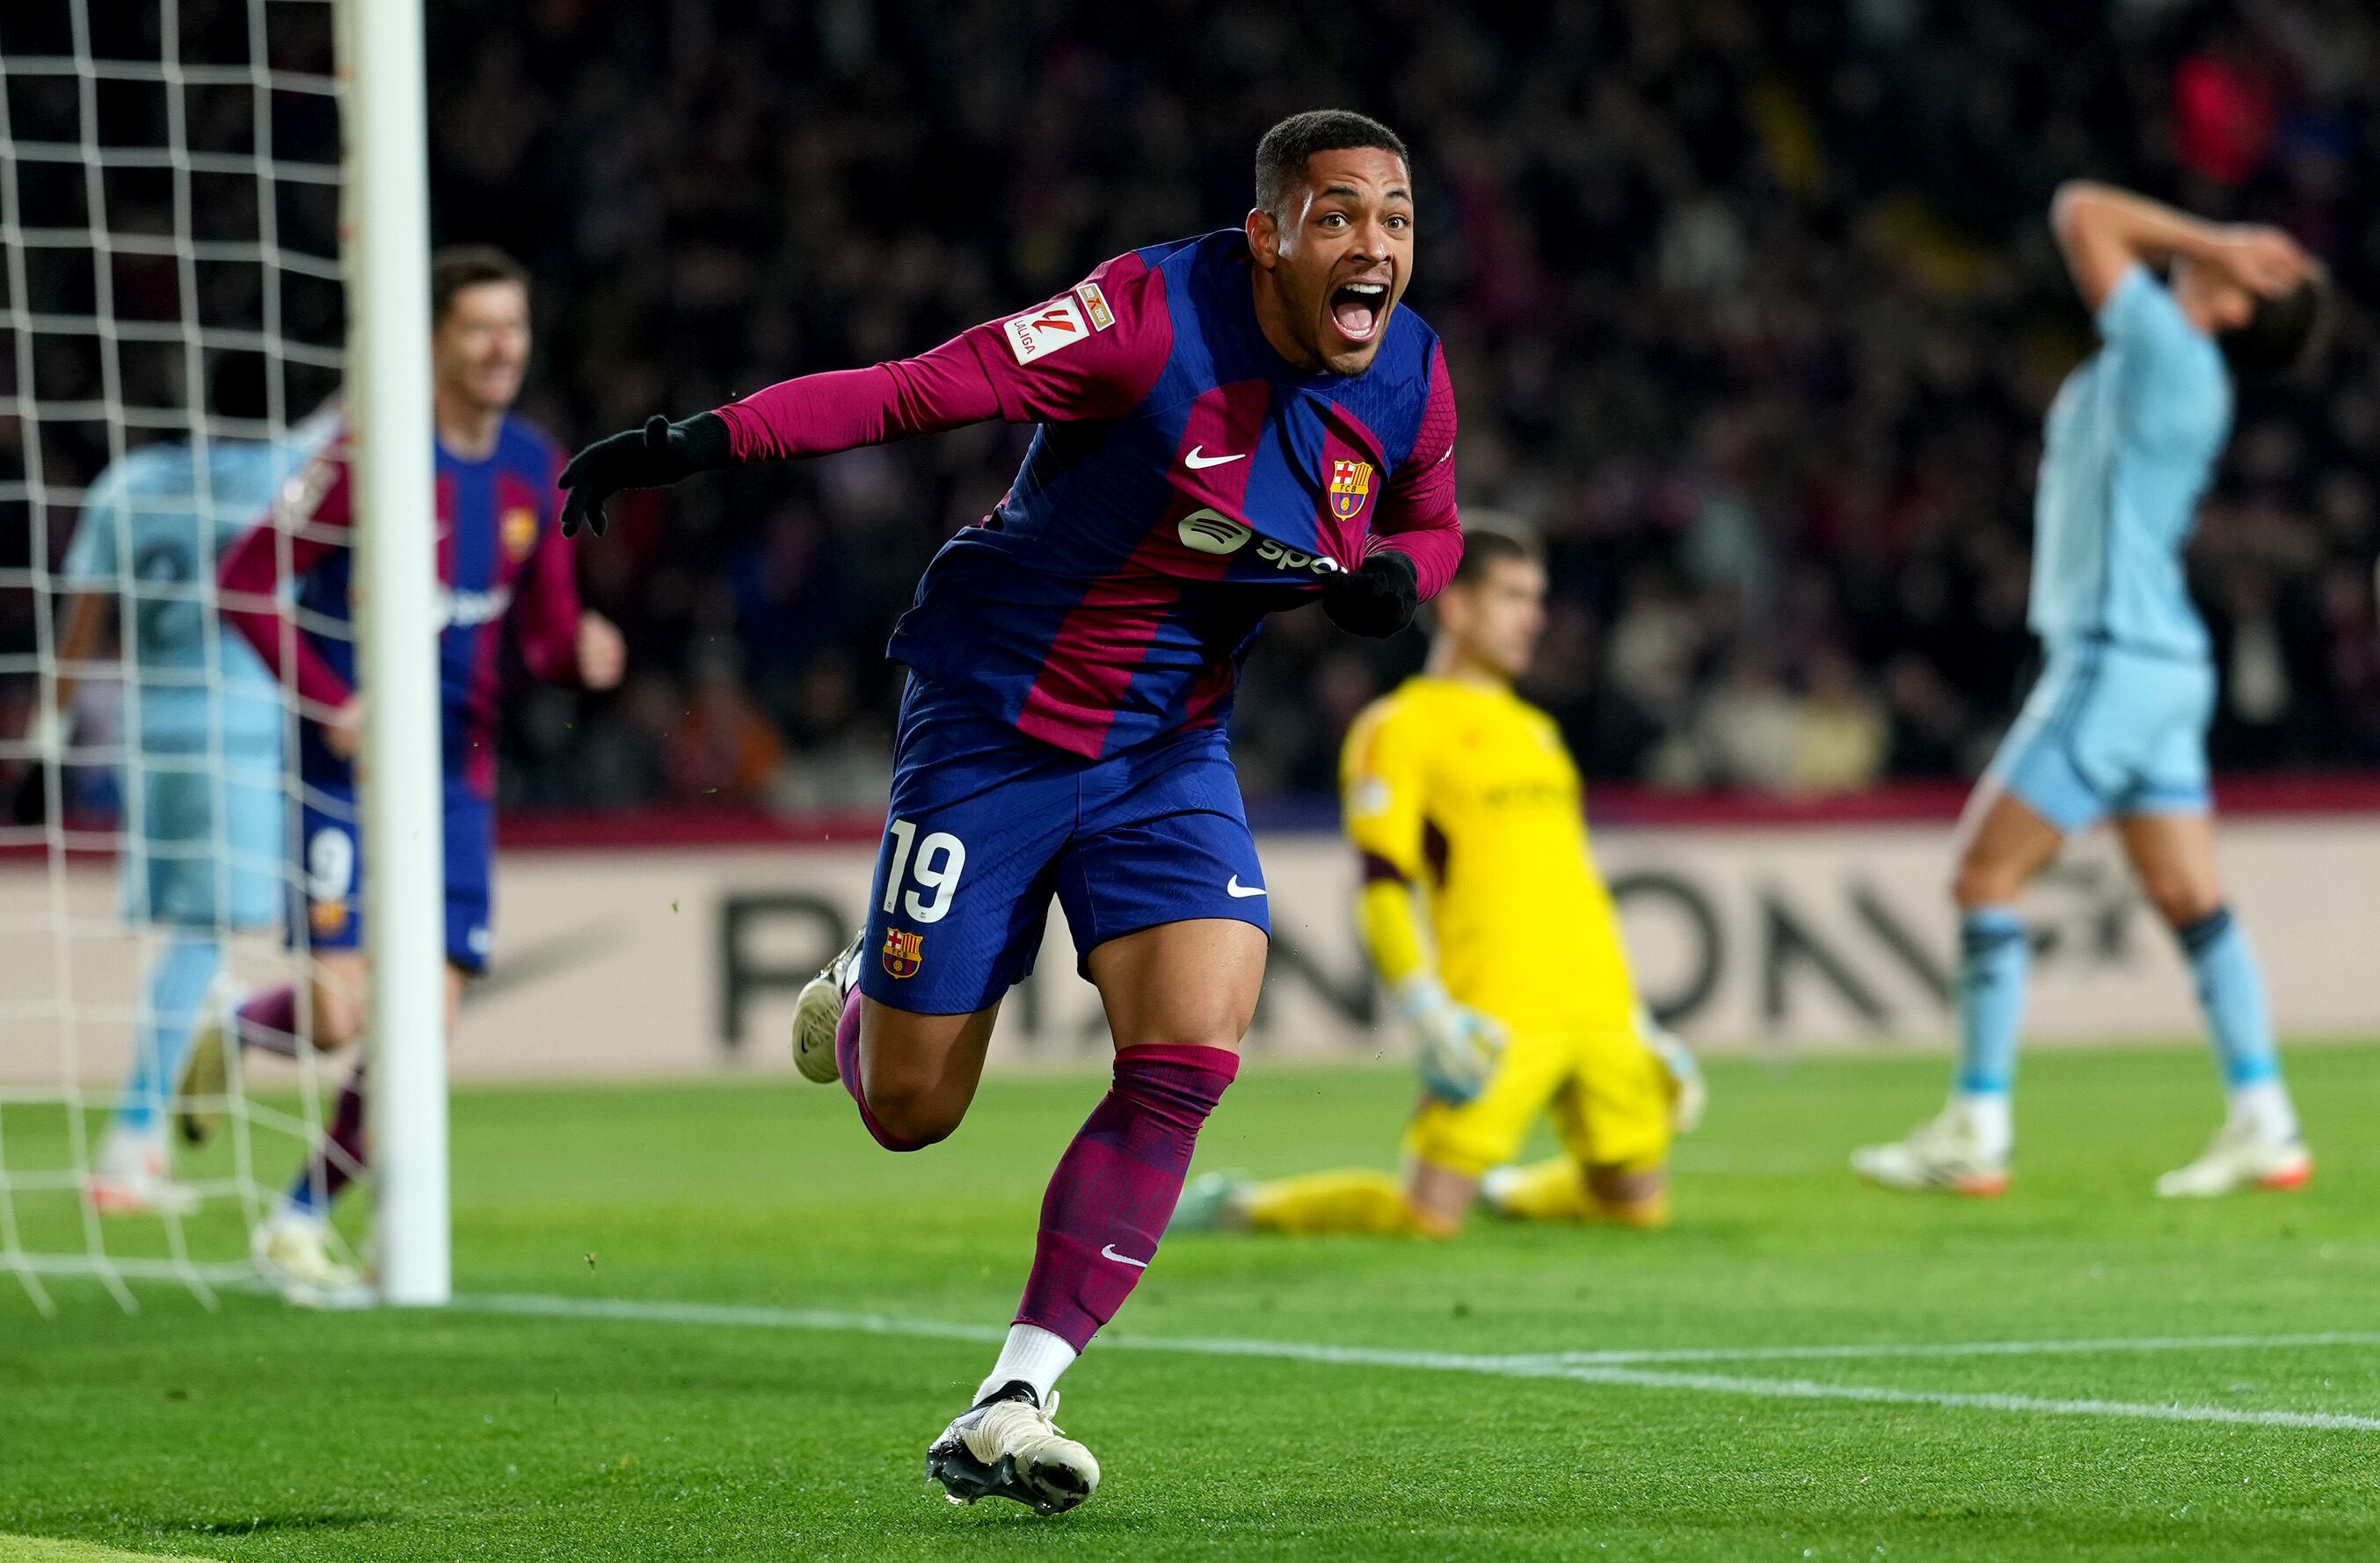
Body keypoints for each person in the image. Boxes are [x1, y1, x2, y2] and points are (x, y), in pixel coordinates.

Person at [557, 110, 1462, 1514]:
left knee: (1191, 1048)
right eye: (1339, 214)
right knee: (913, 1110)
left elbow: (1431, 516)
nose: (1376, 247)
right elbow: (927, 387)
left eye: (1396, 218)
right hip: (993, 719)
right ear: (1271, 231)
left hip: (1169, 747)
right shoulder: (1146, 318)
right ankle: (867, 989)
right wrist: (698, 441)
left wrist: (1403, 575)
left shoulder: (1406, 368)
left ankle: (1014, 1391)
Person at [1854, 183, 2328, 1199]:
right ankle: (2266, 1116)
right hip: (2162, 663)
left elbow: (2078, 211)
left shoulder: (2169, 349)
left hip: (2113, 658)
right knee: (2190, 897)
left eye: (2239, 267)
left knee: (1984, 876)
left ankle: (1976, 1125)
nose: (2210, 249)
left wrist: (2222, 241)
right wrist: (2224, 246)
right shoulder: (2165, 361)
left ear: (2240, 303)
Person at [194, 247, 625, 1303]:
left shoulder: (534, 465)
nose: (500, 348)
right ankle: (245, 1026)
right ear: (434, 338)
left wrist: (581, 651)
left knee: (418, 1035)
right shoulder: (366, 457)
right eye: (479, 327)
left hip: (458, 777)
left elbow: (544, 634)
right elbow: (245, 583)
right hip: (350, 771)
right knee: (344, 1017)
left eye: (513, 328)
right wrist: (333, 700)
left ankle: (297, 1218)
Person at [1168, 526, 1694, 1240]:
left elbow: (1572, 885)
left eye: (1535, 599)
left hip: (1601, 1007)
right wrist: (1424, 1008)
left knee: (1637, 1207)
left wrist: (1640, 1023)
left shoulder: (1537, 730)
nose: (1532, 618)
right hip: (1502, 1015)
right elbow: (1383, 884)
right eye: (1511, 596)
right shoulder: (1399, 728)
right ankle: (1244, 1207)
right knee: (1425, 1217)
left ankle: (1511, 1193)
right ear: (1455, 605)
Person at [47, 365, 337, 1216]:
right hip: (238, 731)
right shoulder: (289, 466)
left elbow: (85, 616)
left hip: (148, 732)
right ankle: (131, 1145)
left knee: (193, 929)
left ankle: (165, 1103)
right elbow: (346, 414)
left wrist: (52, 724)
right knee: (204, 937)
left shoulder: (126, 484)